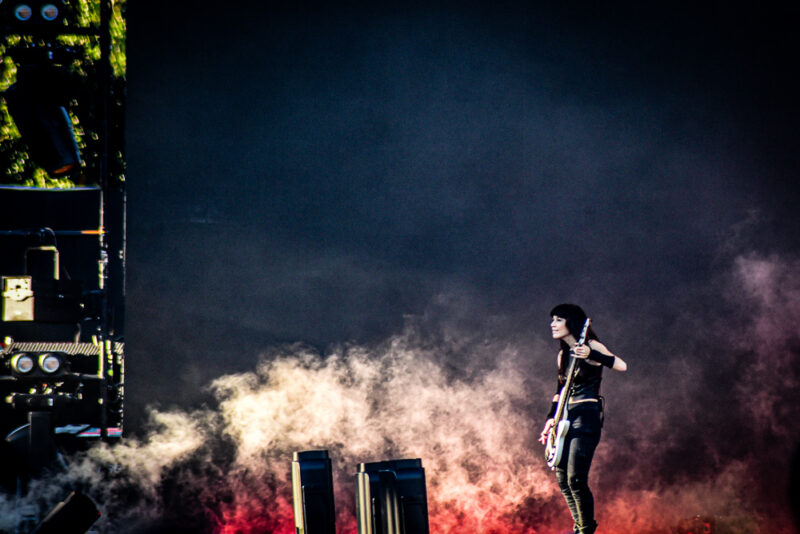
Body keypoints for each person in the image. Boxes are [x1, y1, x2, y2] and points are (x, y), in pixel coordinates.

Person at [538, 304, 627, 534]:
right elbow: (559, 390)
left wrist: (591, 354)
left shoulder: (591, 345)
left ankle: (586, 530)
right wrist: (550, 418)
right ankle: (580, 527)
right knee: (562, 479)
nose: (553, 324)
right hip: (565, 418)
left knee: (576, 478)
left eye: (558, 319)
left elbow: (621, 365)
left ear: (572, 322)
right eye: (553, 320)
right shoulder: (563, 355)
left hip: (586, 417)